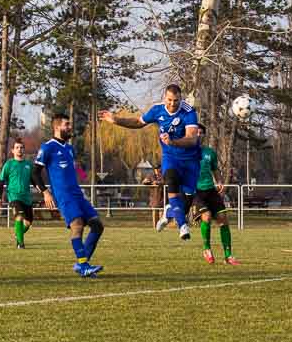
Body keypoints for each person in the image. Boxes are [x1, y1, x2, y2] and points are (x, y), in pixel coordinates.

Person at [99, 84, 200, 240]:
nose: (172, 104)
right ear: (164, 97)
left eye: (176, 100)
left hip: (190, 160)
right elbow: (138, 122)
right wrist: (115, 120)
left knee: (186, 201)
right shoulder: (157, 110)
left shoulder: (188, 111)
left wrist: (173, 142)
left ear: (181, 99)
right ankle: (183, 227)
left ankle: (169, 212)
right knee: (171, 181)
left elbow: (192, 139)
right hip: (171, 158)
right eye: (169, 100)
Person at [32, 114, 104, 277]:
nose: (70, 127)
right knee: (77, 225)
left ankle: (82, 263)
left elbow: (74, 168)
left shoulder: (70, 149)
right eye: (67, 124)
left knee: (97, 225)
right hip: (63, 195)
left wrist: (87, 176)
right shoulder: (47, 147)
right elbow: (34, 173)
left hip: (77, 193)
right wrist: (45, 193)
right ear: (57, 127)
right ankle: (83, 265)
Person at [192, 124, 239, 265]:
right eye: (196, 132)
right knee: (206, 217)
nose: (198, 135)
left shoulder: (210, 152)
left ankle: (228, 256)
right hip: (196, 191)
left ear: (204, 135)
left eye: (201, 133)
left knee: (223, 219)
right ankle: (207, 249)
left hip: (211, 190)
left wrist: (219, 181)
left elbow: (215, 169)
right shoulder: (186, 152)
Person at [0, 139, 35, 249]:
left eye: (21, 147)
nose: (19, 149)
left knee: (28, 223)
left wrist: (43, 190)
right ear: (13, 150)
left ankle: (18, 234)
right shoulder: (9, 164)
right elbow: (1, 181)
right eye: (17, 147)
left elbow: (34, 180)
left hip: (26, 198)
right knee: (19, 216)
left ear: (24, 150)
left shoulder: (28, 165)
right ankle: (20, 244)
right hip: (14, 196)